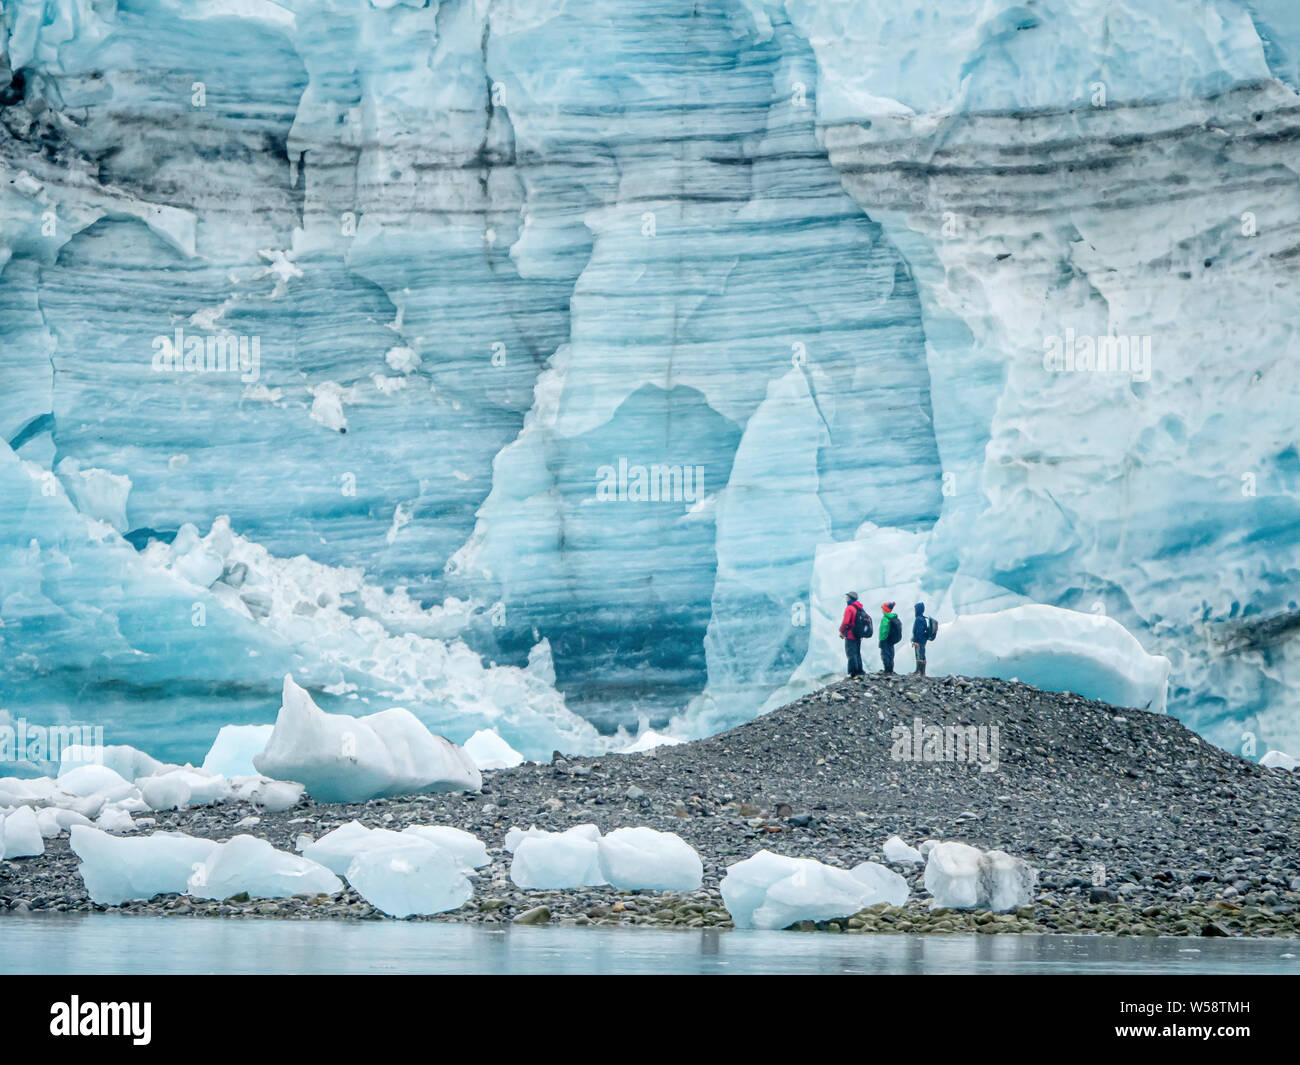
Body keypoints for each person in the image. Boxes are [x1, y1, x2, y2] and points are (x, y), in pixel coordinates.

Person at [838, 591, 868, 677]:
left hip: (851, 634)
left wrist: (841, 632)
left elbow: (846, 622)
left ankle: (853, 673)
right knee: (857, 652)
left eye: (847, 597)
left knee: (851, 653)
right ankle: (860, 670)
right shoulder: (859, 607)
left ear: (850, 598)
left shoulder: (849, 608)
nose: (846, 598)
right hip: (858, 634)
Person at [878, 600, 901, 674]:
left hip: (885, 640)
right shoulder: (893, 617)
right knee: (890, 654)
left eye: (882, 609)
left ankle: (887, 670)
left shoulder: (885, 618)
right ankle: (890, 669)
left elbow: (883, 630)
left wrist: (881, 640)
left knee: (885, 654)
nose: (882, 610)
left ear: (885, 610)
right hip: (891, 640)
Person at [911, 602, 930, 675]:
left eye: (915, 609)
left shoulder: (919, 619)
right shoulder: (923, 619)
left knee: (919, 655)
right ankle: (922, 672)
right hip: (923, 640)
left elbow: (918, 631)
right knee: (922, 654)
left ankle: (918, 671)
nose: (914, 611)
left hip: (919, 640)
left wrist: (916, 641)